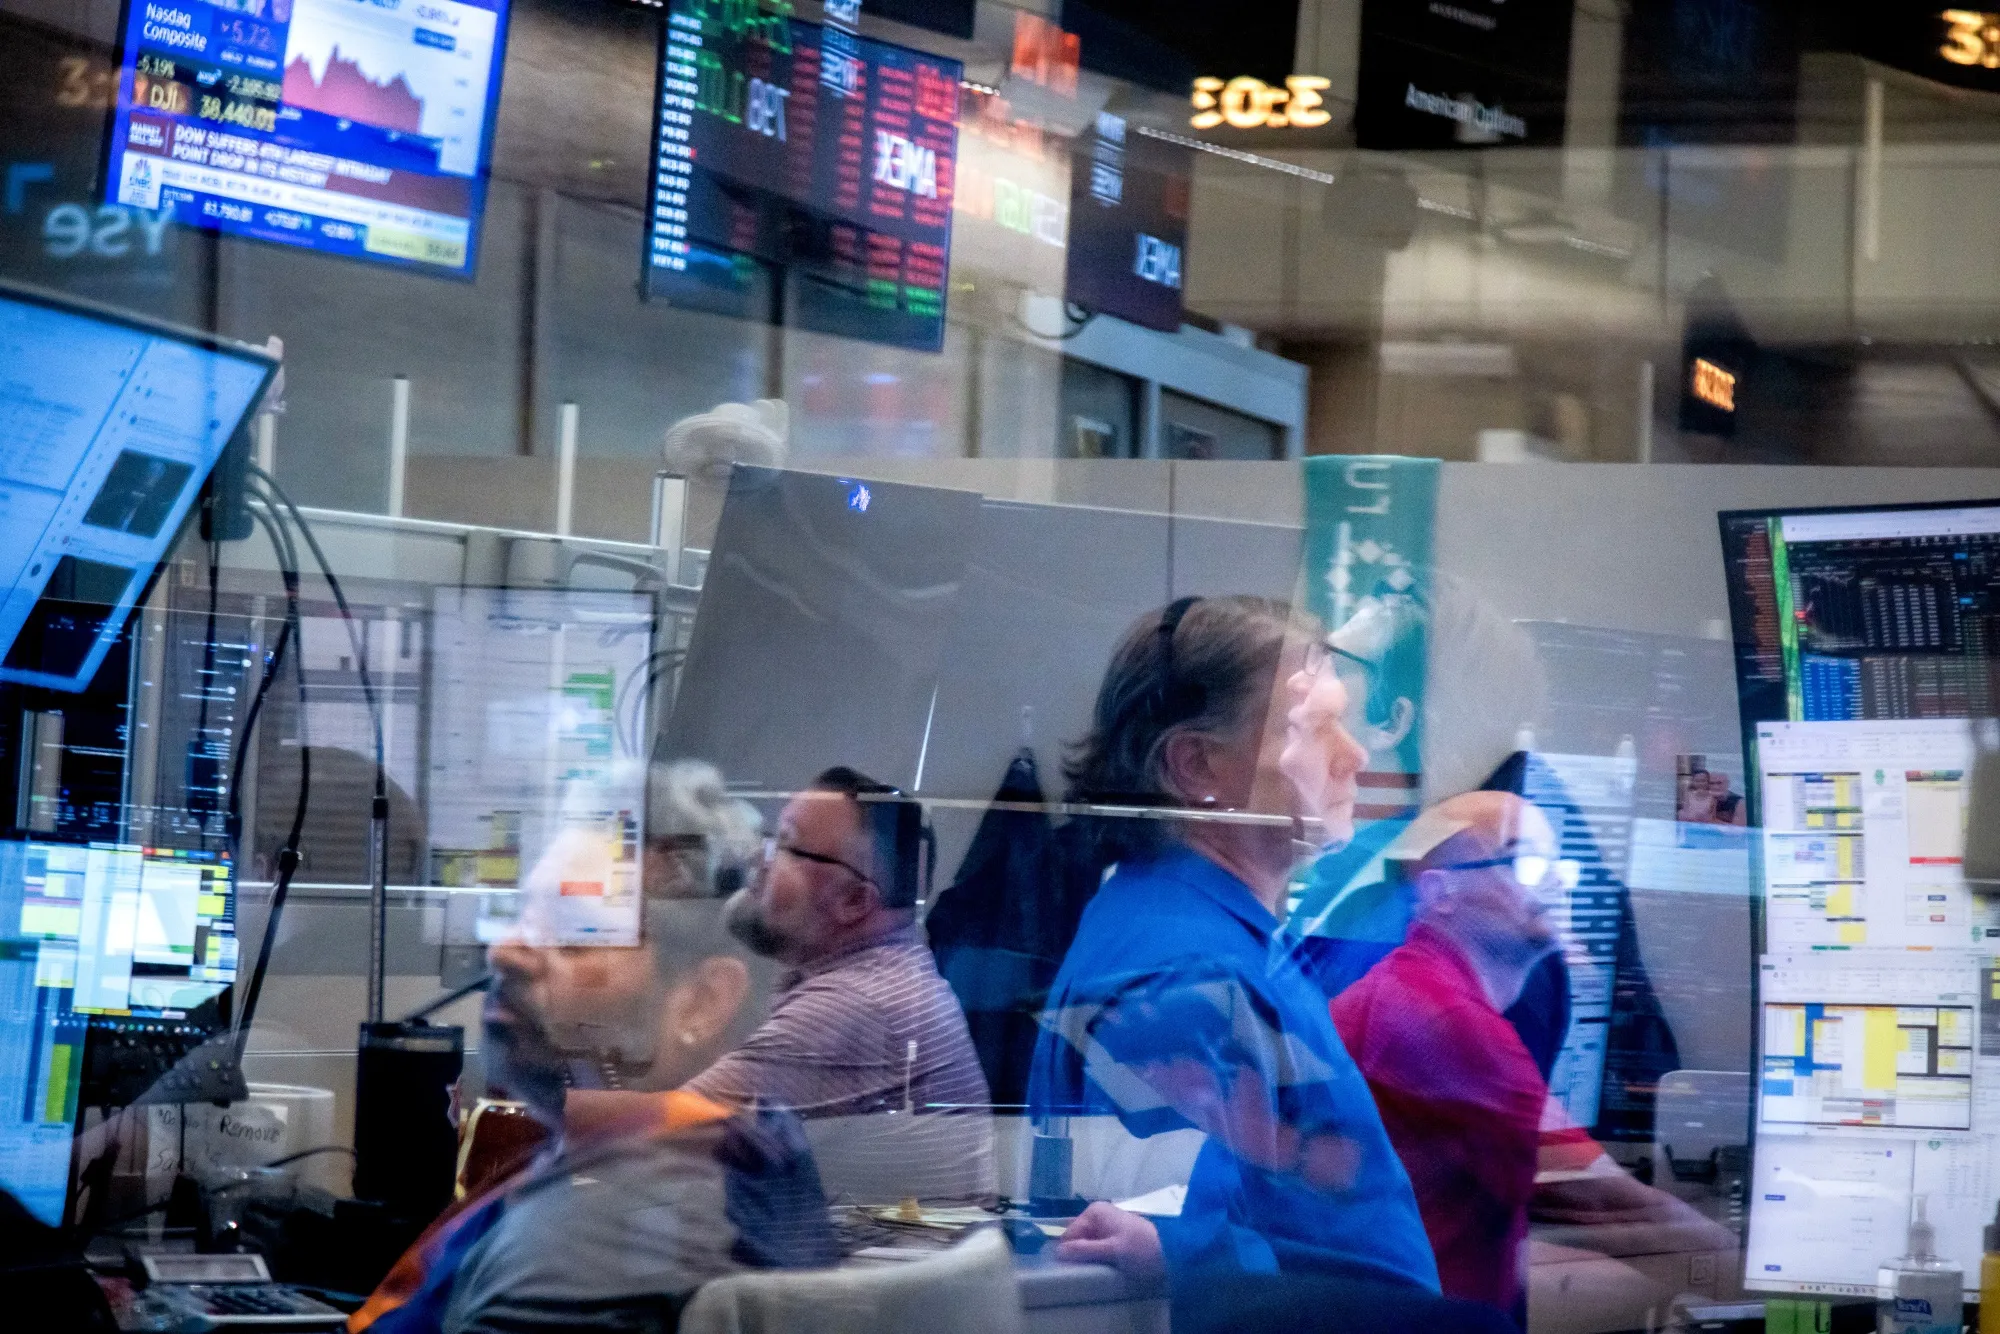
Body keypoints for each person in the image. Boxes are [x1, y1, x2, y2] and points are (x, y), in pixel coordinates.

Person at [1029, 595, 1439, 1291]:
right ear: (1197, 767)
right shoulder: (1186, 976)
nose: (1355, 754)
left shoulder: (1204, 941)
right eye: (1316, 728)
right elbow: (1201, 1258)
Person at [349, 761, 839, 1334]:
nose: (507, 951)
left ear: (701, 1004)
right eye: (526, 915)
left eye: (577, 930)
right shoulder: (749, 1145)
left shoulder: (603, 1243)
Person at [695, 765, 995, 1201]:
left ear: (854, 901)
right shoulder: (887, 974)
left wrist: (558, 1109)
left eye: (785, 845)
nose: (756, 861)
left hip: (887, 1268)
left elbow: (660, 1129)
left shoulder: (862, 1002)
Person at [1328, 791, 1566, 1322]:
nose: (1557, 882)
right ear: (1440, 893)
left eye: (1559, 863)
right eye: (1527, 861)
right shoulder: (1440, 1016)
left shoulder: (1411, 990)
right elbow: (1591, 1193)